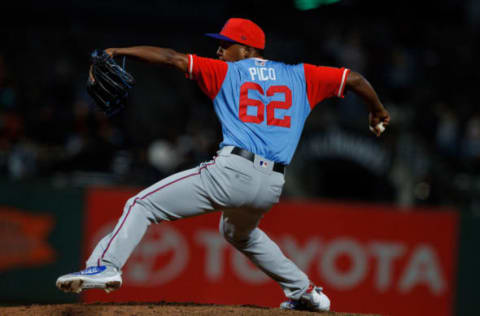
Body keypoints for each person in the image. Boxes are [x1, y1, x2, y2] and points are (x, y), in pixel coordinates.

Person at [56, 18, 390, 312]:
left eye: (225, 45)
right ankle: (306, 293)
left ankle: (104, 265)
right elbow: (356, 79)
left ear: (246, 50)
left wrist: (122, 50)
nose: (218, 51)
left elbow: (171, 58)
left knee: (141, 204)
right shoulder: (301, 75)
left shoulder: (226, 71)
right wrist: (377, 111)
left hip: (233, 172)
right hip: (271, 185)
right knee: (237, 232)